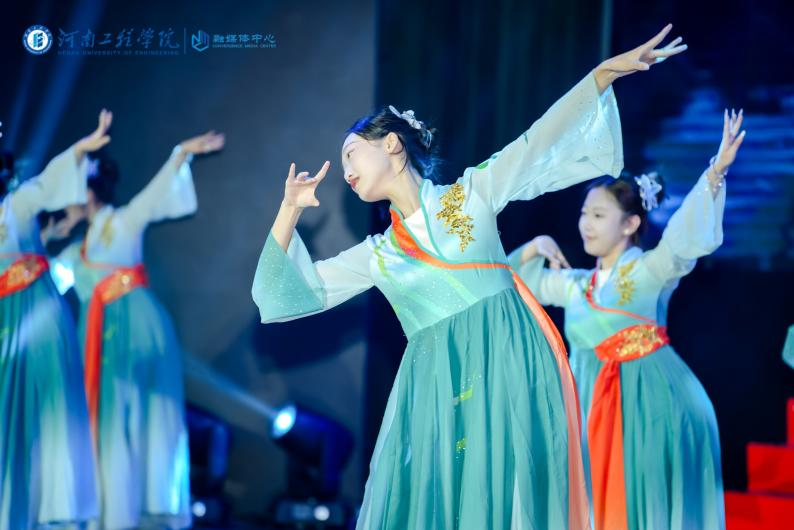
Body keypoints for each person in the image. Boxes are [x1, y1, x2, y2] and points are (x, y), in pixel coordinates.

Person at [252, 25, 686, 529]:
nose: (346, 170)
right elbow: (287, 295)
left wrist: (602, 75)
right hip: (438, 385)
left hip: (509, 360)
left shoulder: (471, 194)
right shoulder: (379, 254)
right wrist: (288, 210)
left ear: (391, 144)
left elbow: (537, 141)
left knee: (509, 493)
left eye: (351, 153)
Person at [509, 108, 745, 530]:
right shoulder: (576, 285)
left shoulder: (650, 270)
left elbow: (683, 239)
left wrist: (715, 173)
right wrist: (532, 246)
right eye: (584, 213)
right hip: (591, 411)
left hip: (650, 407)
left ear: (630, 223)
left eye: (599, 215)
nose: (586, 224)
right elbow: (512, 287)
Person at [52, 129, 225, 530]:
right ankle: (105, 510)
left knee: (133, 418)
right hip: (96, 338)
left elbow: (151, 198)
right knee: (104, 421)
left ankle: (133, 511)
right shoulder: (75, 251)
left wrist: (180, 154)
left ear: (88, 192)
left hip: (133, 329)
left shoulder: (122, 222)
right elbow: (40, 281)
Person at [0, 109, 112, 530]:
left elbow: (46, 185)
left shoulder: (16, 204)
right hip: (6, 320)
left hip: (35, 312)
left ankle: (49, 509)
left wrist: (80, 149)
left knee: (45, 411)